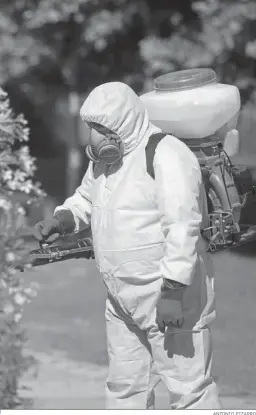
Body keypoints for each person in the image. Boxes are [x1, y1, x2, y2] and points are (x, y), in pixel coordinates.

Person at [33, 82, 220, 409]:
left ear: (125, 122)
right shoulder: (104, 162)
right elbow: (87, 199)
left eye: (104, 129)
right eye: (92, 128)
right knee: (124, 388)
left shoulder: (166, 154)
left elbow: (182, 226)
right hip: (122, 297)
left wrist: (173, 293)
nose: (97, 137)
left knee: (188, 389)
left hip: (166, 295)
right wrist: (62, 220)